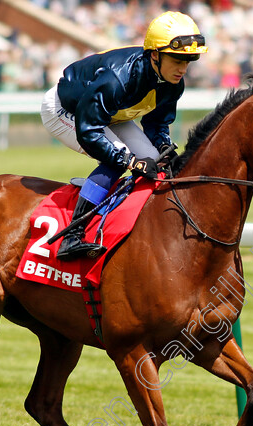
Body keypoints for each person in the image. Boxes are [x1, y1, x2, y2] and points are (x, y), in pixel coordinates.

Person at [40, 11, 207, 260]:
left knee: (155, 159)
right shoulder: (117, 78)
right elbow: (89, 131)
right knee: (118, 157)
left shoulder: (173, 83)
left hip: (111, 115)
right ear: (154, 55)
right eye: (176, 59)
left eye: (188, 61)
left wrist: (163, 148)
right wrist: (130, 162)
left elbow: (157, 124)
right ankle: (71, 236)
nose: (183, 68)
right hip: (67, 110)